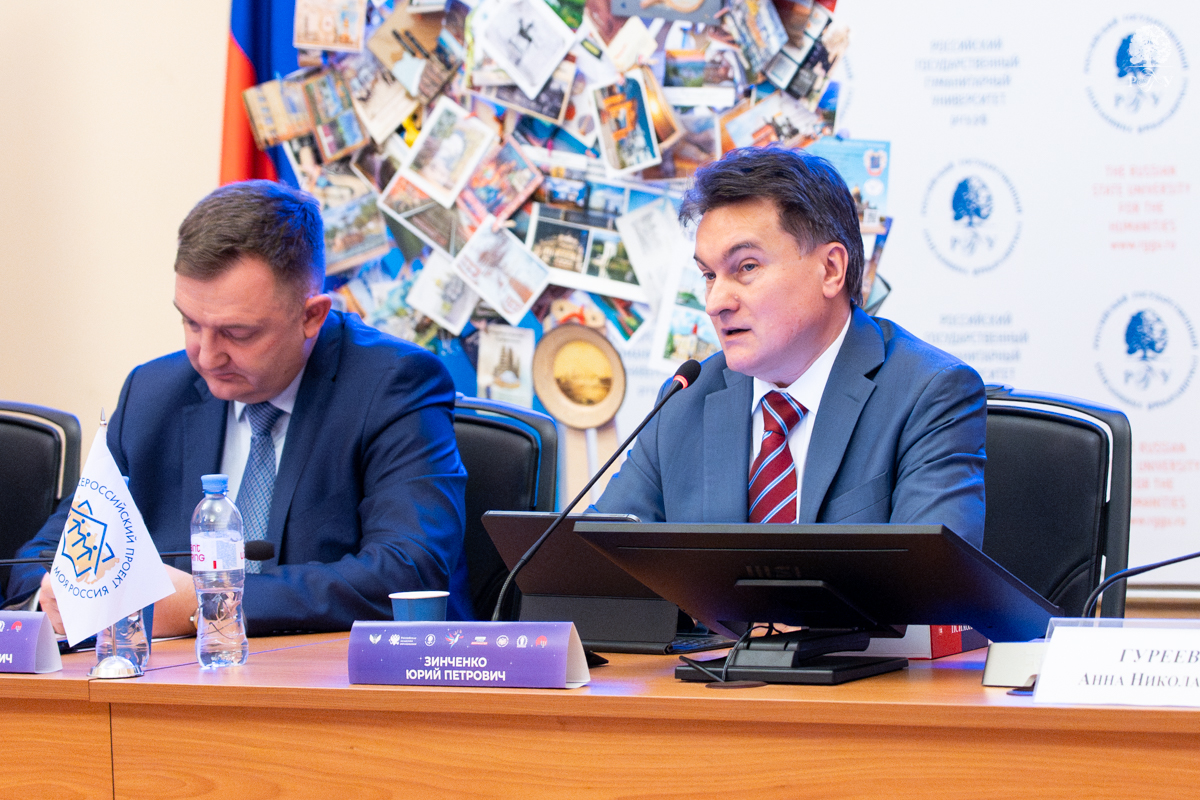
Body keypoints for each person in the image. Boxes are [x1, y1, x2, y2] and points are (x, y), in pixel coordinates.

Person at [9, 180, 469, 636]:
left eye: (238, 333)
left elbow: (410, 572)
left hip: (344, 676)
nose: (207, 357)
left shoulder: (393, 385)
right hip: (181, 677)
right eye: (191, 323)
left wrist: (209, 604)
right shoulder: (151, 394)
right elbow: (41, 559)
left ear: (311, 315)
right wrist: (55, 596)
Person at [594, 147, 986, 547]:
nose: (715, 303)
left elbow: (930, 579)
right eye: (709, 275)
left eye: (746, 267)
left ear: (830, 269)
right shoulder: (684, 401)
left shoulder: (928, 395)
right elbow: (598, 560)